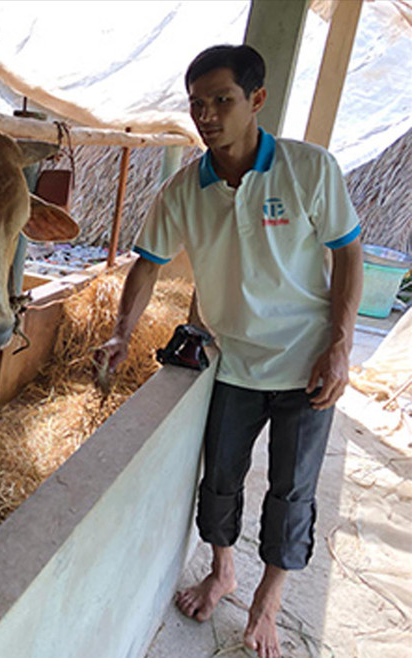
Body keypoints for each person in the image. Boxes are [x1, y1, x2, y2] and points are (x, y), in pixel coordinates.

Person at [95, 45, 363, 658]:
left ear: (257, 100)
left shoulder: (309, 170)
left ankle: (268, 605)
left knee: (292, 489)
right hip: (231, 361)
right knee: (219, 479)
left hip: (307, 360)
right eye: (197, 104)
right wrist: (121, 332)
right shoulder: (185, 189)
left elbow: (349, 252)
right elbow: (148, 266)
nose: (208, 115)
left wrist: (341, 345)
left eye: (223, 100)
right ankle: (223, 571)